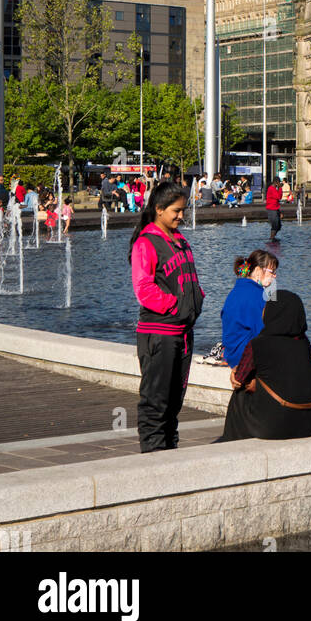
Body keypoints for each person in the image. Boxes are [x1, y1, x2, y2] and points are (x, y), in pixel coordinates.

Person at [129, 180, 205, 453]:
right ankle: (153, 459)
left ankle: (169, 454)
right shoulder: (146, 243)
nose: (181, 216)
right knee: (155, 402)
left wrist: (197, 297)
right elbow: (143, 288)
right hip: (160, 334)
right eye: (176, 210)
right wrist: (174, 306)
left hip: (182, 334)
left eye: (183, 210)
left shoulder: (178, 240)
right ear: (159, 209)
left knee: (173, 402)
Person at [220, 291, 311, 443]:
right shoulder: (304, 343)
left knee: (240, 393)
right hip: (309, 422)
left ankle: (231, 440)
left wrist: (235, 372)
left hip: (274, 425)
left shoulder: (258, 344)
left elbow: (240, 378)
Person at [221, 249, 278, 371]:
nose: (275, 276)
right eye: (272, 272)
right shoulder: (257, 296)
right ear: (258, 271)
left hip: (231, 354)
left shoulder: (236, 290)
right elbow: (264, 332)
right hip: (245, 358)